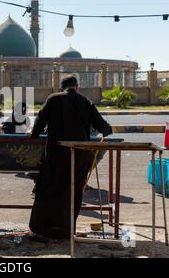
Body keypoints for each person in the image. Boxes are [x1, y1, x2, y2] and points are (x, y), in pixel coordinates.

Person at [29, 75, 112, 240]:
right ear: (77, 87)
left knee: (49, 189)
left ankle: (44, 230)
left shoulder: (53, 99)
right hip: (80, 156)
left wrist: (34, 134)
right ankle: (66, 231)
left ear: (61, 88)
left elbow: (39, 121)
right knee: (72, 191)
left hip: (56, 155)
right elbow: (103, 126)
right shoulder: (85, 101)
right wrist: (108, 130)